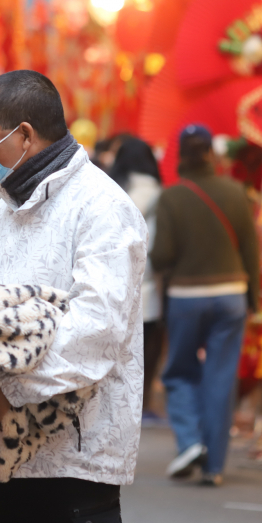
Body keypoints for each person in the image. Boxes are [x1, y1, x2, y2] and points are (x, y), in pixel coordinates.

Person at [0, 70, 148, 523]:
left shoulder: (103, 208)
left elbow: (96, 331)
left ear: (23, 135)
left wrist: (9, 391)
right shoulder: (8, 203)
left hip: (69, 461)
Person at [150, 124, 261, 486]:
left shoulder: (172, 197)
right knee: (220, 378)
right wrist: (253, 300)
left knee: (179, 373)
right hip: (231, 296)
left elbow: (162, 255)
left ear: (180, 156)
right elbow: (251, 252)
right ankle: (214, 467)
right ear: (212, 154)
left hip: (186, 298)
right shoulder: (236, 193)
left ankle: (191, 443)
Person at [109, 137, 165, 423]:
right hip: (148, 284)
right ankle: (141, 406)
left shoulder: (110, 189)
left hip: (114, 281)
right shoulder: (158, 193)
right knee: (147, 348)